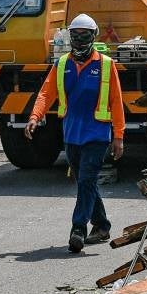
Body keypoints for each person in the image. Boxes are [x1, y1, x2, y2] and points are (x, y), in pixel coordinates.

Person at [27, 13, 125, 253]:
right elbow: (45, 94)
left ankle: (78, 229)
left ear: (93, 36)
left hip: (97, 134)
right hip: (71, 134)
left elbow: (116, 101)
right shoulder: (61, 65)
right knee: (86, 182)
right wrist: (34, 117)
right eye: (75, 35)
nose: (79, 39)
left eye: (84, 35)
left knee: (87, 179)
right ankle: (102, 225)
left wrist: (119, 136)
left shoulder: (105, 65)